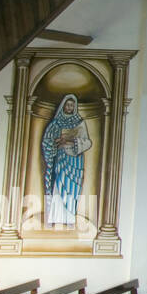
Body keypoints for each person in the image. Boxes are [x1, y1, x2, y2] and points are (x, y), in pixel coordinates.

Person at [42, 94, 91, 229]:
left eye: (72, 105)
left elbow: (87, 142)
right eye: (67, 104)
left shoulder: (79, 123)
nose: (69, 107)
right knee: (58, 186)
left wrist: (71, 141)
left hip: (74, 161)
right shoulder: (56, 123)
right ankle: (55, 217)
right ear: (63, 105)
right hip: (61, 158)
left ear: (74, 107)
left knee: (72, 189)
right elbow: (47, 140)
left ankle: (69, 219)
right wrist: (56, 142)